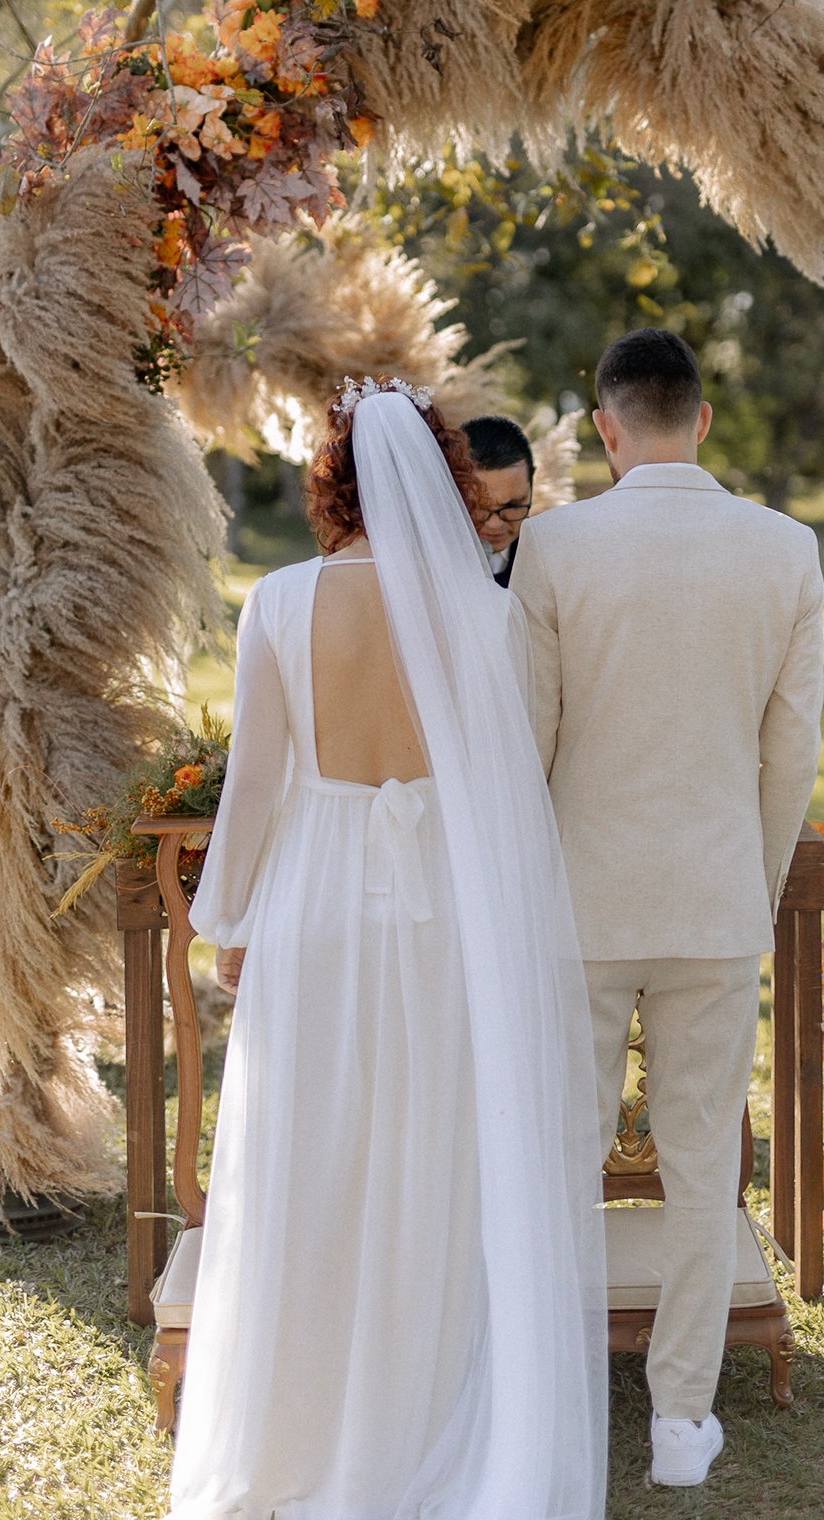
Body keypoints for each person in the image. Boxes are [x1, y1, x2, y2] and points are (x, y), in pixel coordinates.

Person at [168, 378, 606, 1520]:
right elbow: (504, 789)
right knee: (434, 1156)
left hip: (314, 897)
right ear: (444, 483)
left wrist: (230, 924)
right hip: (446, 910)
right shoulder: (483, 610)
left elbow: (256, 785)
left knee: (310, 1160)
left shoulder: (281, 601)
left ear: (334, 482)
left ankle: (302, 1432)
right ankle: (424, 1419)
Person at [511, 329, 824, 1490]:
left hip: (577, 904)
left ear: (605, 427)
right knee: (702, 1166)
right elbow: (790, 753)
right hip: (714, 897)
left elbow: (524, 744)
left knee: (562, 1157)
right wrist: (749, 871)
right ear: (699, 419)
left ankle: (549, 1393)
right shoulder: (786, 550)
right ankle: (682, 1422)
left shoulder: (550, 547)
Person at [461, 415, 534, 586]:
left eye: (512, 505)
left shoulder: (553, 554)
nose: (494, 524)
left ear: (531, 484)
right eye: (478, 507)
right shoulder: (423, 558)